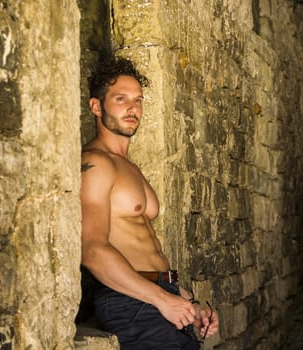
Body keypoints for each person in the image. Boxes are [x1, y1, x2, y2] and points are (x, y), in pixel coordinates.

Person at [80, 55, 219, 349]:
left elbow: (143, 250)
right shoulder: (96, 163)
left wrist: (186, 303)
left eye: (138, 99)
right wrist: (161, 300)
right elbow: (92, 250)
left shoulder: (128, 166)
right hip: (132, 303)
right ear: (96, 106)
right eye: (121, 99)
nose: (133, 108)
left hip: (158, 294)